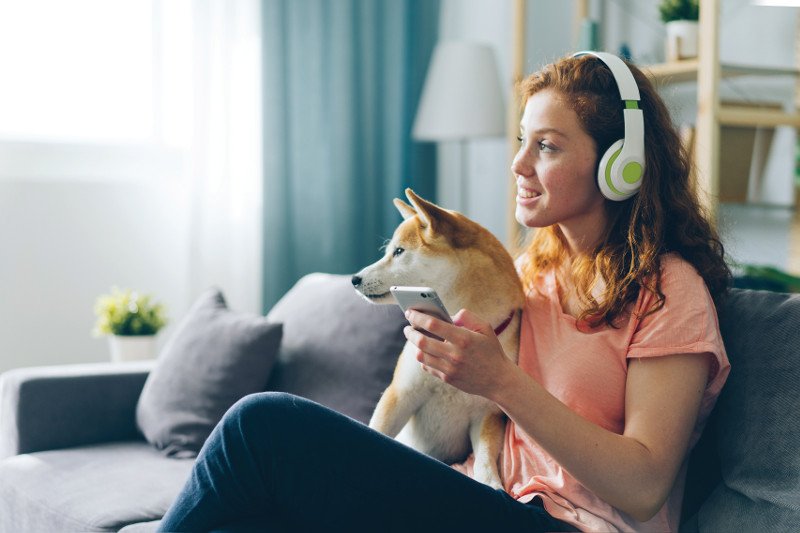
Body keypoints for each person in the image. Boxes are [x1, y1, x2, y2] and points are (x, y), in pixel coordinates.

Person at [158, 52, 730, 532]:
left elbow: (645, 485)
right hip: (478, 494)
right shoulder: (532, 274)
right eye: (521, 141)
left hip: (569, 522)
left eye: (547, 147)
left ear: (620, 165)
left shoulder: (668, 291)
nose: (518, 163)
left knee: (260, 425)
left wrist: (500, 381)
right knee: (250, 514)